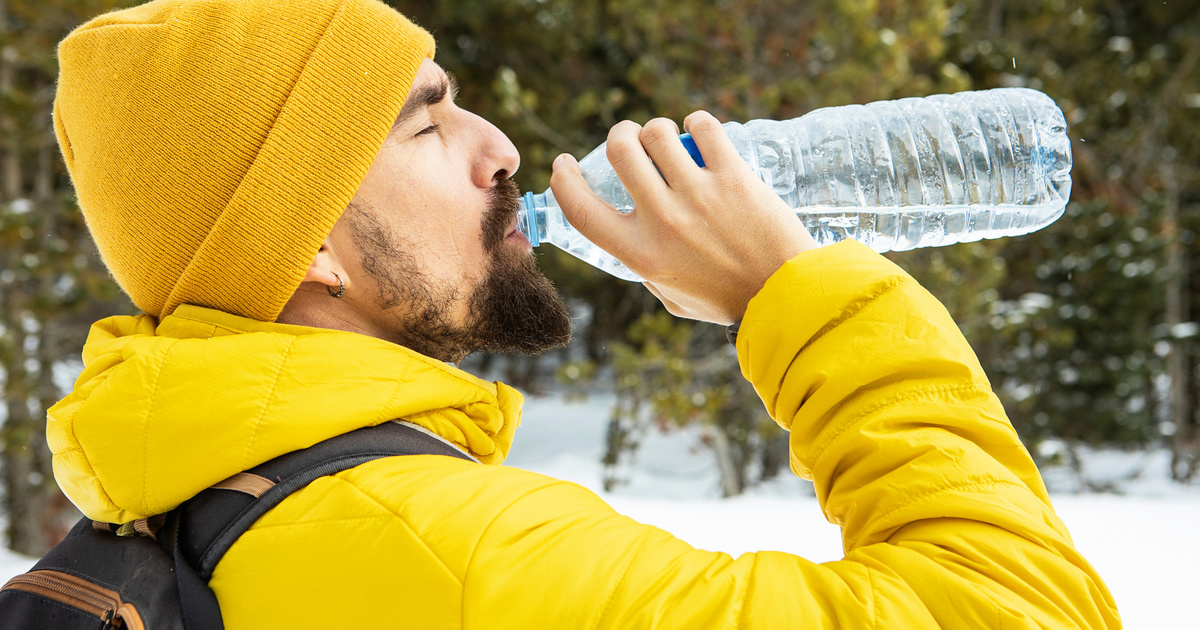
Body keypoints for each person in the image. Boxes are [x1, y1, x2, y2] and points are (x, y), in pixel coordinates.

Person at [48, 0, 1119, 627]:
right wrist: (798, 298)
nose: (501, 148)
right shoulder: (449, 558)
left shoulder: (202, 502)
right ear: (312, 244)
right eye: (428, 129)